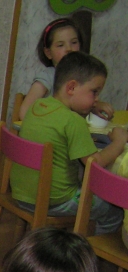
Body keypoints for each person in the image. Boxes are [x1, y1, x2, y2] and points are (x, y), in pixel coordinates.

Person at [11, 51, 128, 236]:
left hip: (22, 195)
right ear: (71, 87)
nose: (97, 99)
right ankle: (83, 248)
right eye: (94, 92)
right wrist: (119, 141)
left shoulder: (37, 107)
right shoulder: (73, 122)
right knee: (113, 211)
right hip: (55, 202)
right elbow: (94, 164)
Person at [17, 18, 113, 122]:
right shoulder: (48, 76)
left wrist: (95, 106)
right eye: (60, 45)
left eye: (74, 42)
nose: (69, 49)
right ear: (48, 53)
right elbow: (25, 112)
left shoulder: (85, 75)